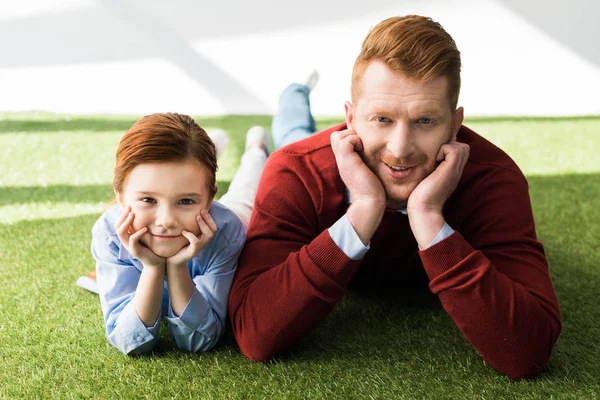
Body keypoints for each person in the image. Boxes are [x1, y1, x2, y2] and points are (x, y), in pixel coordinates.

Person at [228, 15, 561, 379]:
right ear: (351, 119)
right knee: (293, 133)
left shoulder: (494, 179)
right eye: (382, 119)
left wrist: (428, 215)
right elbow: (256, 333)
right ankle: (294, 94)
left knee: (296, 132)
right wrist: (363, 211)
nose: (400, 149)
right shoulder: (296, 170)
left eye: (425, 121)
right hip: (305, 150)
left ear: (455, 124)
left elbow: (527, 352)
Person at [88, 113, 269, 355]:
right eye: (148, 199)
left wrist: (176, 266)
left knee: (249, 186)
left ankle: (256, 147)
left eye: (186, 201)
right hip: (193, 195)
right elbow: (129, 341)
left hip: (235, 214)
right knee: (185, 171)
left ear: (209, 199)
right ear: (121, 197)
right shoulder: (109, 233)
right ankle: (208, 153)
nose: (166, 222)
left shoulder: (227, 231)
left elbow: (200, 340)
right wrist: (152, 268)